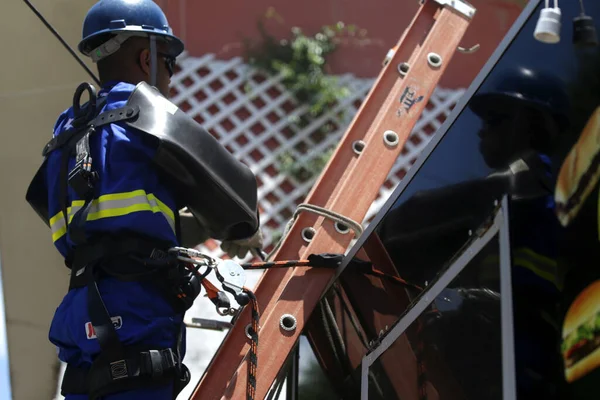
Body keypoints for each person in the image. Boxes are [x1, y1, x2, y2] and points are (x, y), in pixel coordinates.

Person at [24, 0, 263, 399]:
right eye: (169, 62)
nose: (171, 75)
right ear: (146, 57)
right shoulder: (147, 111)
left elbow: (101, 224)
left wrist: (195, 227)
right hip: (136, 316)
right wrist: (242, 226)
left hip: (80, 316)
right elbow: (238, 194)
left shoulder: (62, 138)